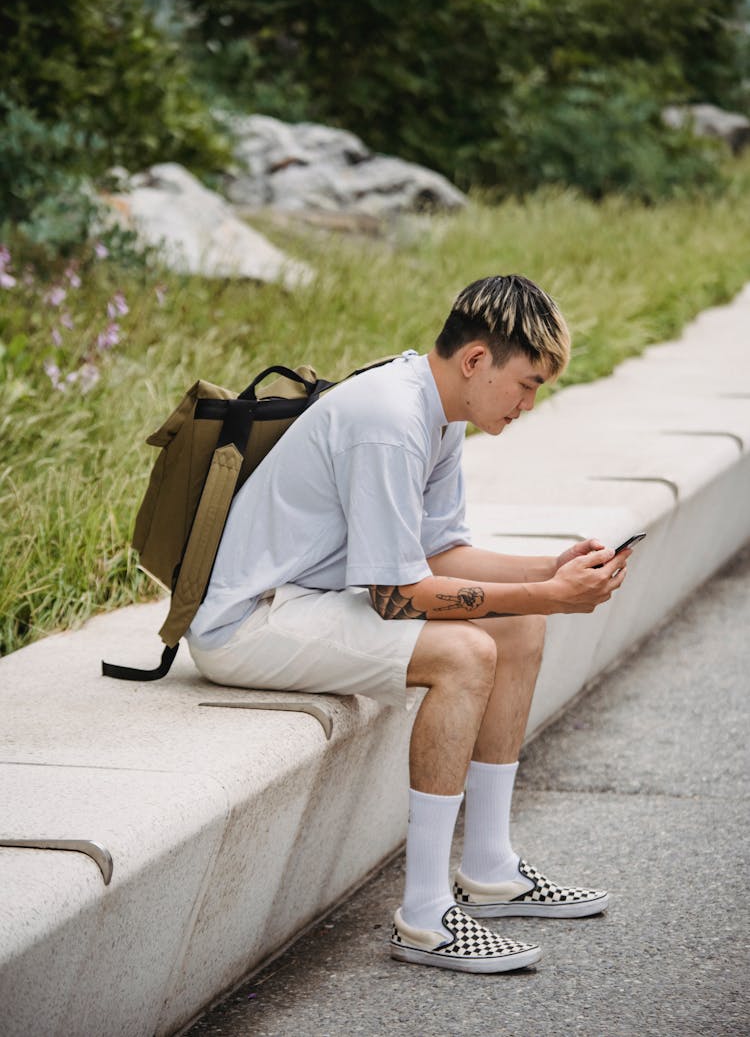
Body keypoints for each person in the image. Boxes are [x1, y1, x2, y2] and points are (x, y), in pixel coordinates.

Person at [187, 274, 632, 974]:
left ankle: (488, 864)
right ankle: (425, 915)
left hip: (314, 599)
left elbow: (439, 552)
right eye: (527, 382)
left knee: (518, 627)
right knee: (465, 653)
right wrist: (550, 592)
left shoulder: (438, 410)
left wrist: (548, 571)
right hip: (252, 621)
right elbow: (397, 595)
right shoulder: (391, 420)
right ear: (477, 360)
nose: (529, 403)